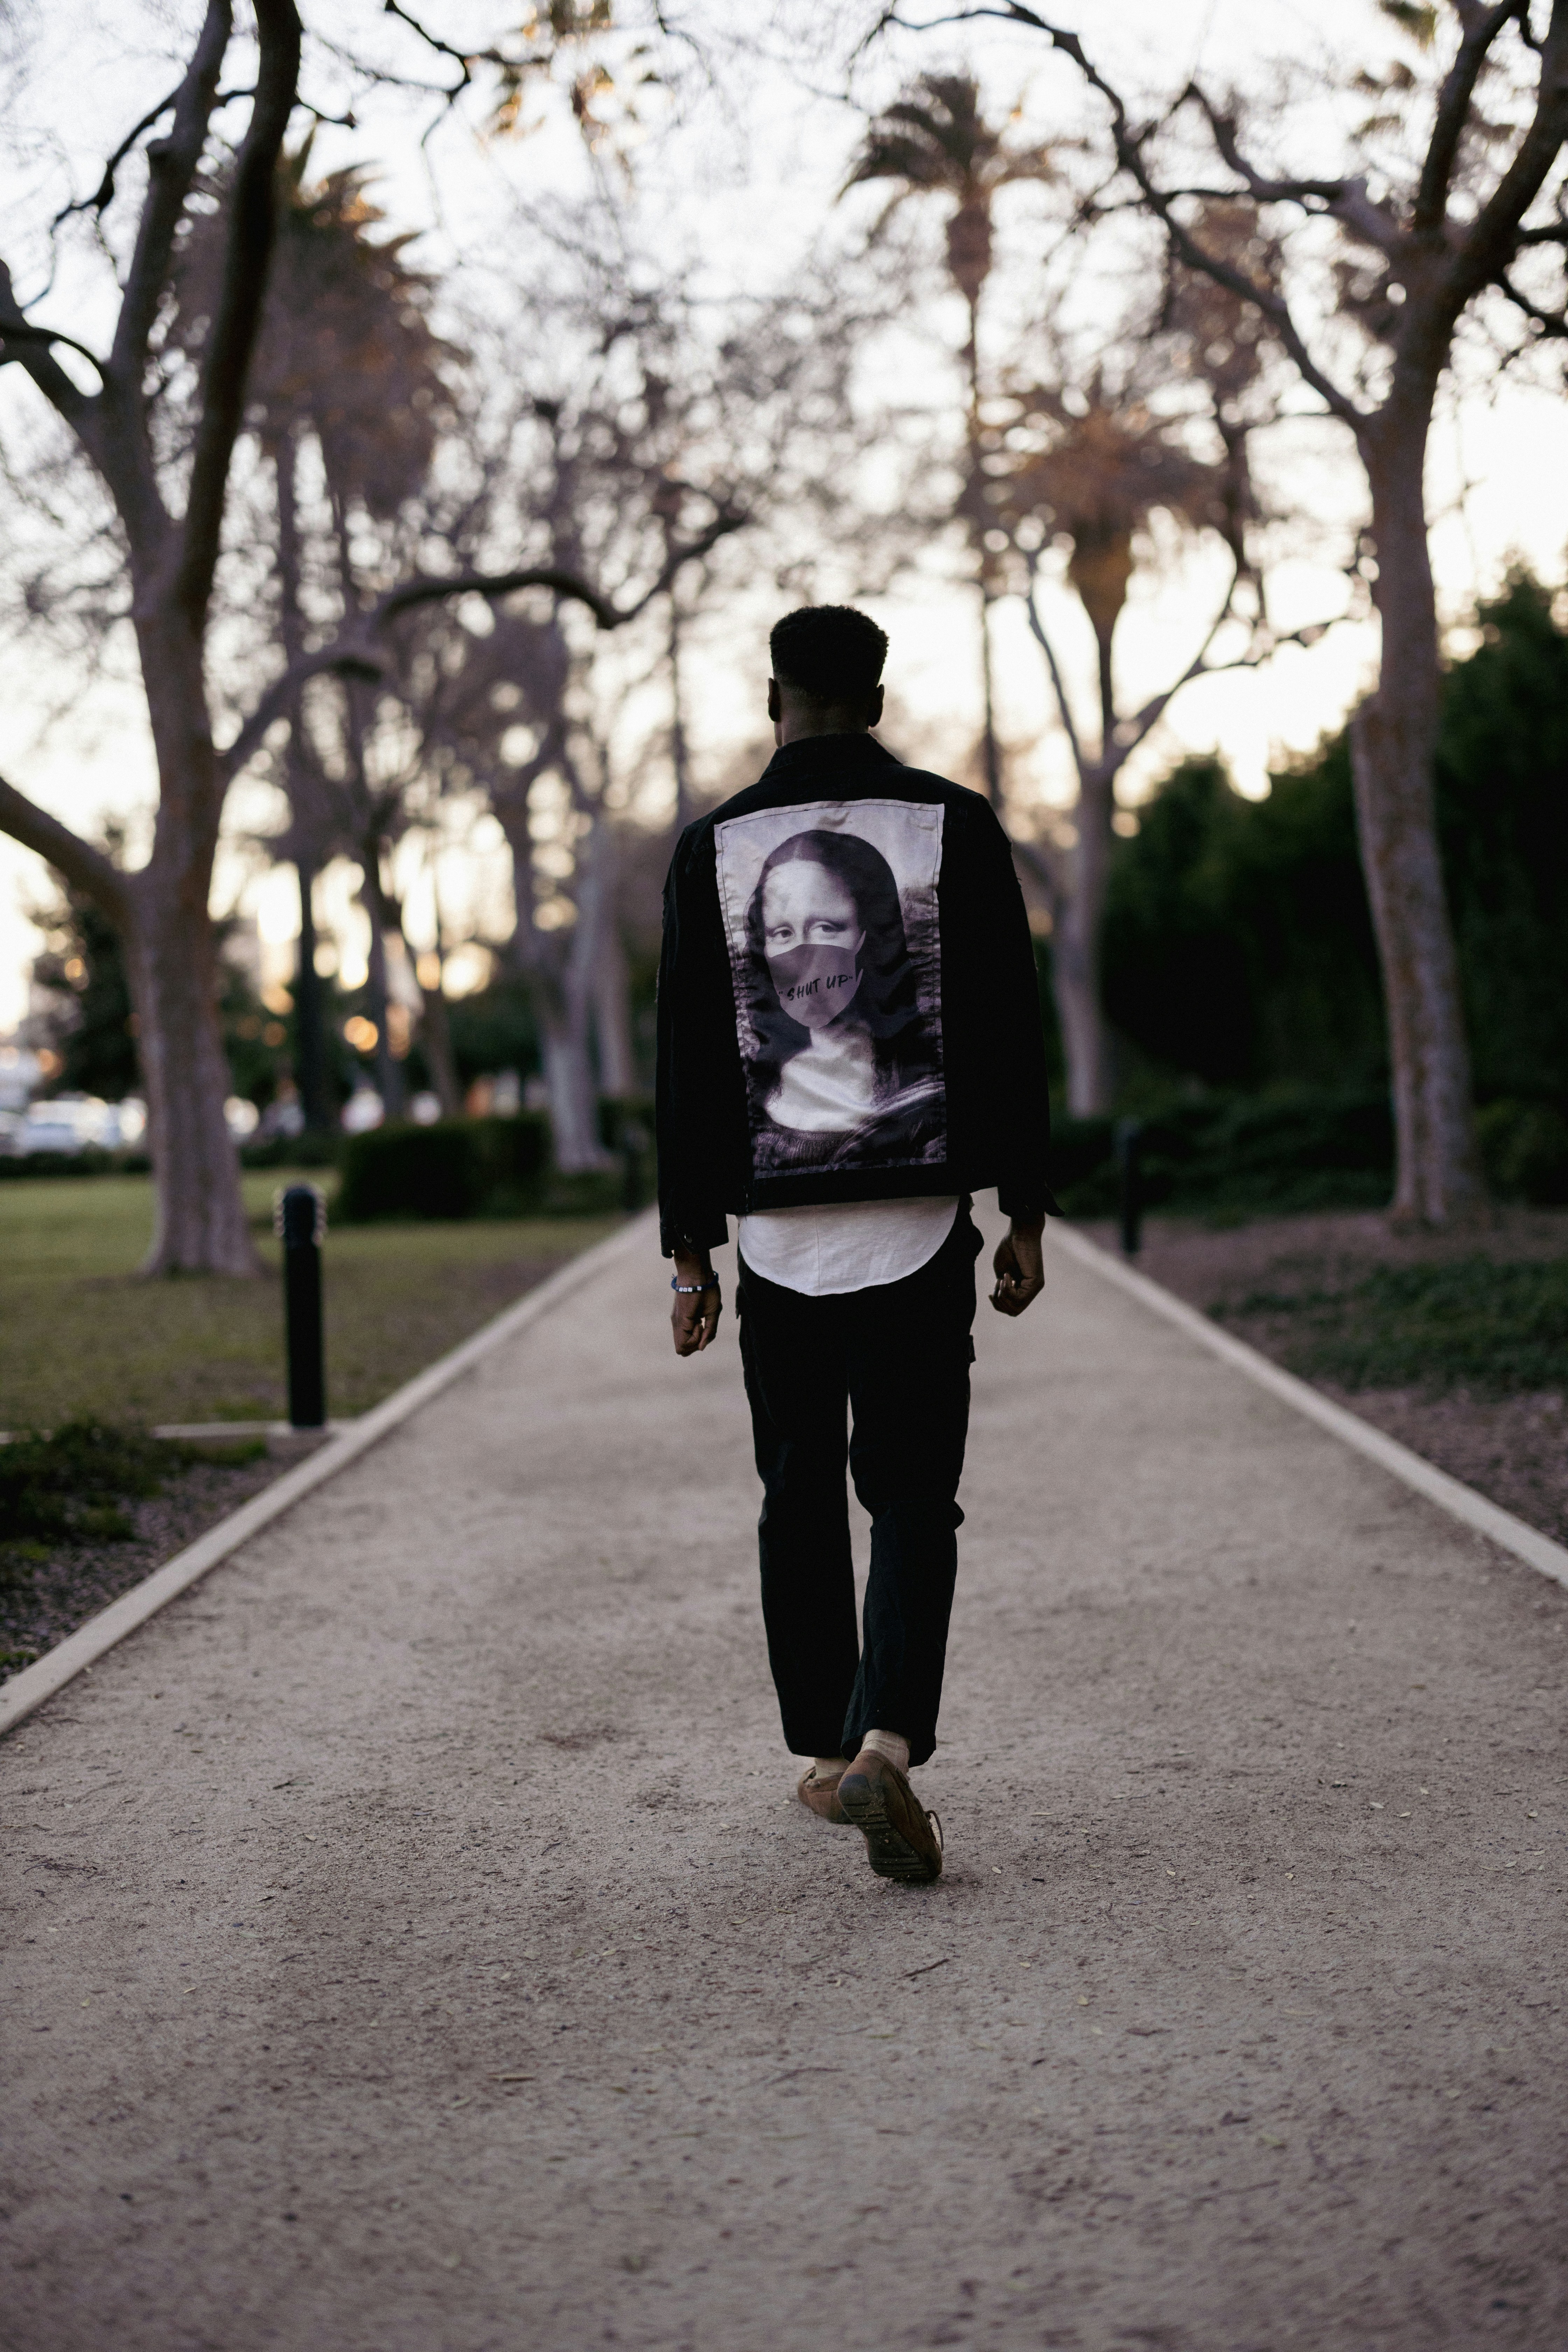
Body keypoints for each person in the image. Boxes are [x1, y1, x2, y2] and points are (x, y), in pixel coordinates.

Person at [656, 603, 1054, 1884]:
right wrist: (1025, 1214)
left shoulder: (708, 847)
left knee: (796, 1498)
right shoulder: (956, 825)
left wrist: (690, 1252)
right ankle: (888, 1736)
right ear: (876, 702)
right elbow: (1008, 1027)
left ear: (775, 697)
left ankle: (830, 1755)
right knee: (914, 1499)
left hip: (776, 1249)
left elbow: (683, 1062)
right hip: (922, 1226)